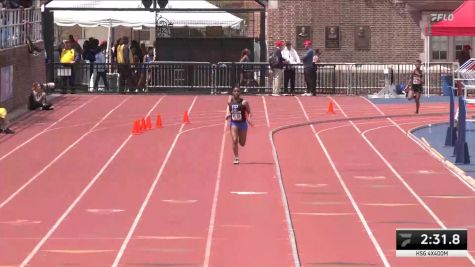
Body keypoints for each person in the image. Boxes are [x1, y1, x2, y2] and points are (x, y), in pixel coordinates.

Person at [225, 86, 253, 164]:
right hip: (234, 123)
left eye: (238, 91)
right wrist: (227, 114)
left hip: (243, 124)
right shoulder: (230, 101)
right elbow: (228, 108)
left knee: (242, 143)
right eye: (235, 91)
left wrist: (249, 119)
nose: (236, 92)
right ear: (233, 92)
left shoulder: (244, 102)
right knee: (234, 140)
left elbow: (249, 112)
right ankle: (236, 157)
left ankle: (238, 149)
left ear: (240, 93)